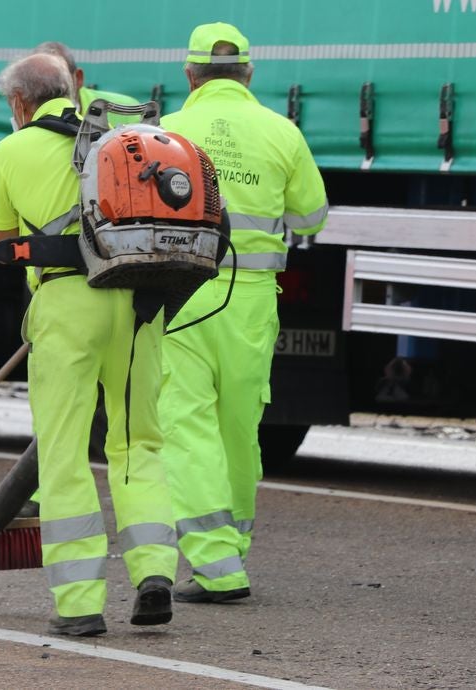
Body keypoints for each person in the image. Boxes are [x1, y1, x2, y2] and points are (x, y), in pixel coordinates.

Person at [0, 53, 178, 636]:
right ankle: (154, 574)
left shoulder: (11, 151)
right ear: (72, 88)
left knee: (65, 453)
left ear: (21, 103)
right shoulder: (124, 129)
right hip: (139, 300)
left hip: (67, 307)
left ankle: (79, 603)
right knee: (136, 441)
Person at [157, 22, 329, 603]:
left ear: (190, 74)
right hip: (252, 301)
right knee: (238, 426)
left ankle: (216, 565)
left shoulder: (167, 133)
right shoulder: (282, 132)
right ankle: (232, 550)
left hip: (180, 295)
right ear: (249, 73)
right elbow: (311, 218)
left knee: (186, 424)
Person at [34, 40, 142, 126]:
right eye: (37, 82)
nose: (49, 90)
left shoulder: (126, 111)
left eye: (57, 80)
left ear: (78, 78)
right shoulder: (21, 110)